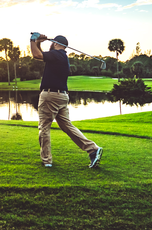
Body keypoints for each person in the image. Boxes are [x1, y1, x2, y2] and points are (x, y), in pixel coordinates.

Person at [30, 33, 103, 169]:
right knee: (66, 126)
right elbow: (41, 55)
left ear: (57, 44)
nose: (50, 44)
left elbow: (37, 55)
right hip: (61, 97)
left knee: (44, 127)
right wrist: (39, 42)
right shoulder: (61, 57)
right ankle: (92, 149)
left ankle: (47, 160)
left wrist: (33, 39)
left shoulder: (57, 55)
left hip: (50, 96)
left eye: (52, 42)